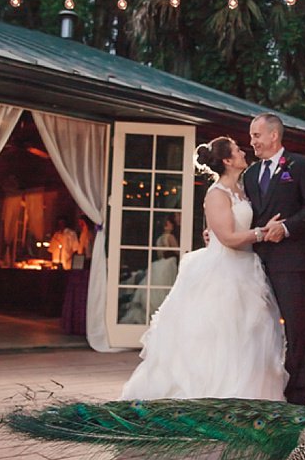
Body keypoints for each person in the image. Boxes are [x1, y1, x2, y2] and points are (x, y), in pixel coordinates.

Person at [122, 136, 288, 400]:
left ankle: (247, 396)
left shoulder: (243, 189)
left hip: (248, 269)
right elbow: (229, 238)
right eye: (237, 150)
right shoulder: (217, 194)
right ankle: (214, 394)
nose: (243, 152)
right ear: (228, 160)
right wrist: (262, 232)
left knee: (248, 337)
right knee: (219, 335)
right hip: (224, 271)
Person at [243, 113, 305, 405]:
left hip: (292, 263)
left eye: (256, 135)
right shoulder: (250, 174)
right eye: (251, 136)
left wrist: (287, 227)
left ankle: (297, 397)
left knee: (295, 329)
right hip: (255, 263)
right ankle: (264, 389)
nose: (252, 142)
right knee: (258, 328)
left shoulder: (300, 165)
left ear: (274, 135)